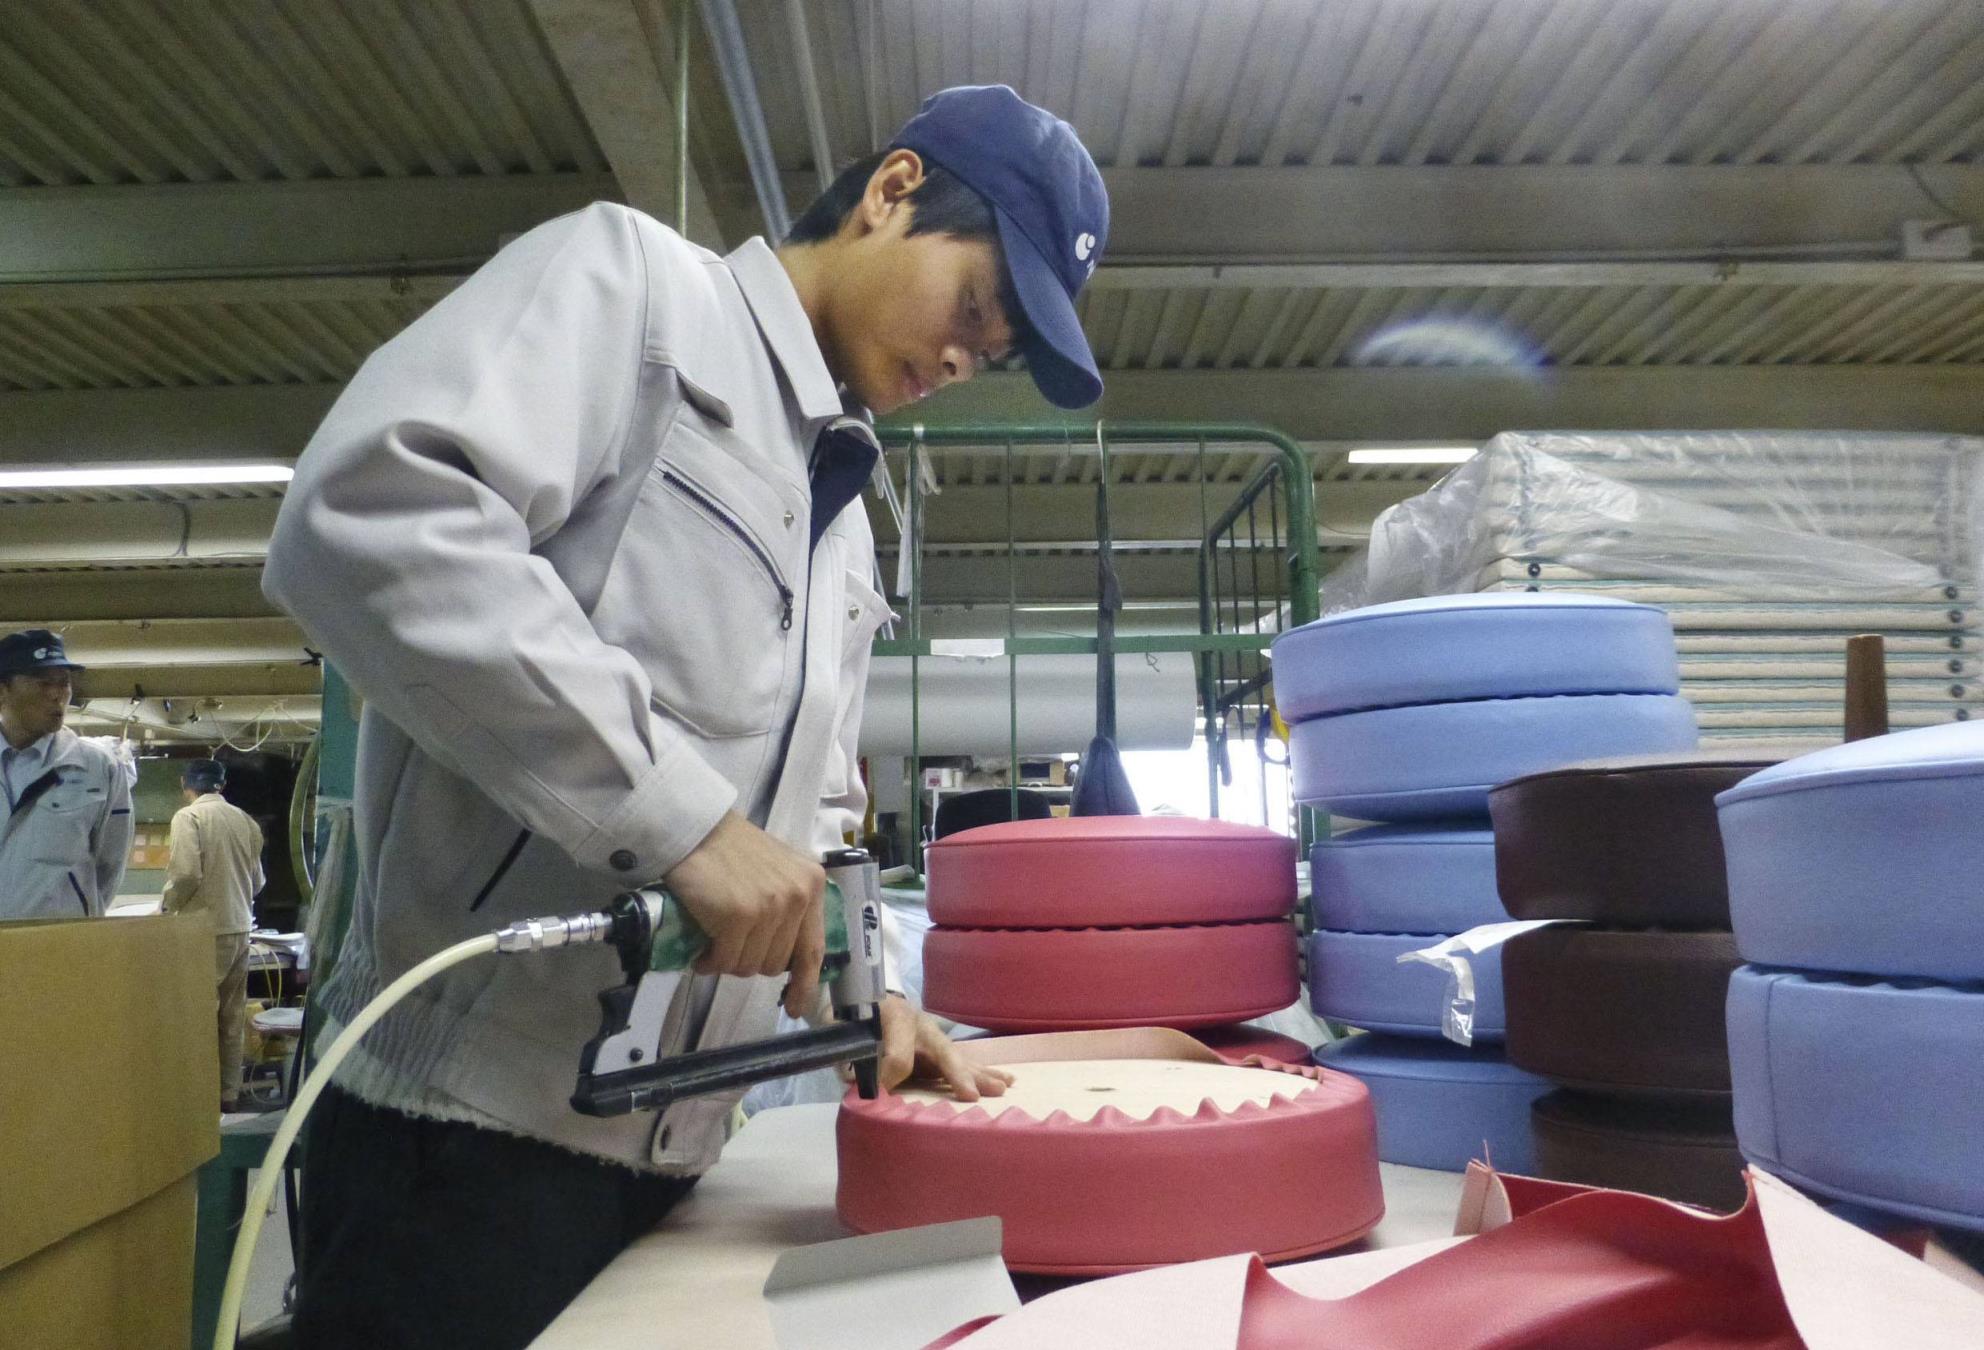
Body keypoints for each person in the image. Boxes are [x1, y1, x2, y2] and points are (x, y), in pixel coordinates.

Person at [263, 85, 1109, 1348]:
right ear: (893, 191)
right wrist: (679, 819)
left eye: (984, 358)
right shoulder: (637, 295)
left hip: (676, 1146)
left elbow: (803, 821)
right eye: (975, 308)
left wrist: (849, 1000)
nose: (955, 362)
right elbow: (370, 512)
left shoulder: (848, 527)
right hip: (459, 1150)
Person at [0, 629, 131, 919]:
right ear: (3, 690)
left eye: (64, 682)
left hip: (60, 947)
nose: (58, 694)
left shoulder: (99, 768)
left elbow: (110, 867)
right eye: (42, 682)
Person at [163, 758, 267, 1110]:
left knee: (197, 1015)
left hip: (204, 930)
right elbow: (258, 883)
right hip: (241, 926)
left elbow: (186, 874)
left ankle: (196, 1098)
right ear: (221, 786)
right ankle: (229, 1094)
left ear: (185, 784)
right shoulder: (245, 821)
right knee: (232, 1015)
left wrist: (166, 907)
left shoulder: (188, 817)